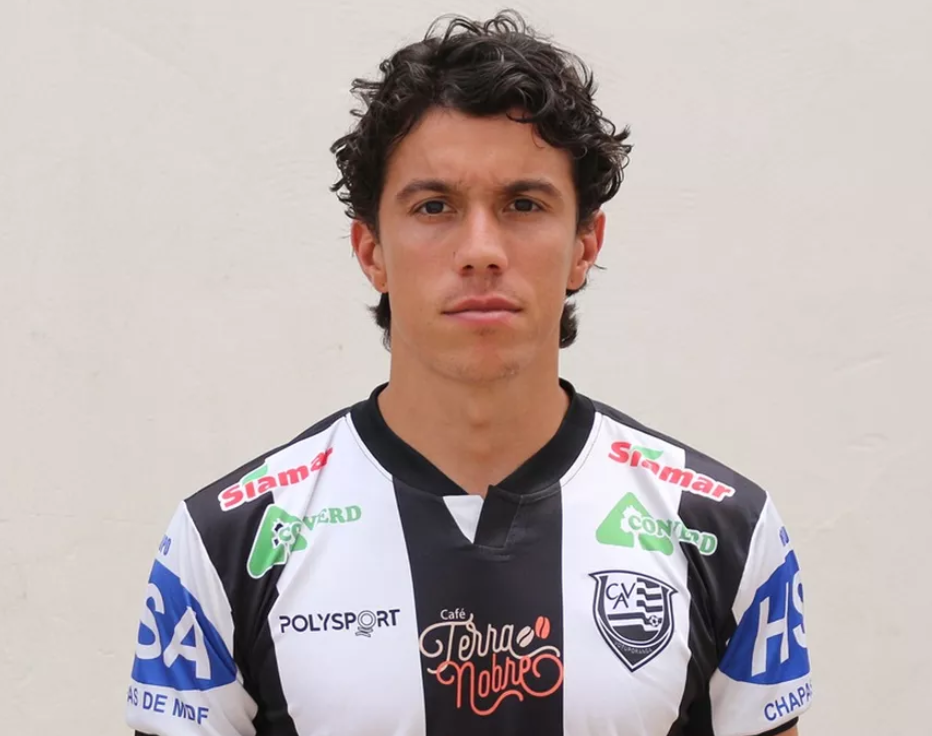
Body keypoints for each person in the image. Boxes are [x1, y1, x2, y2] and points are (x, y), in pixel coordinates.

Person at [125, 11, 812, 736]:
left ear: (585, 245)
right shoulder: (227, 540)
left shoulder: (722, 531)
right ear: (371, 251)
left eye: (523, 204)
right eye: (434, 207)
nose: (481, 249)